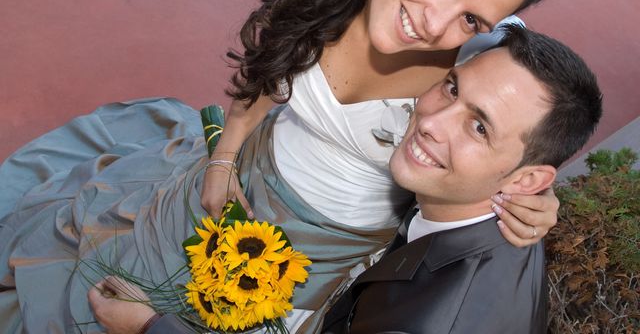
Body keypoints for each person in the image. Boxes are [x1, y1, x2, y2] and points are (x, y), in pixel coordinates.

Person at [0, 0, 562, 333]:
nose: (436, 24)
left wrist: (528, 206)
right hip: (240, 179)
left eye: (471, 16)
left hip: (326, 259)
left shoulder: (478, 65)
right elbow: (266, 73)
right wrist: (224, 156)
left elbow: (509, 140)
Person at [87, 26, 602, 333]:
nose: (430, 120)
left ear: (530, 177)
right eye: (450, 88)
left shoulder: (428, 321)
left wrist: (150, 327)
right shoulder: (498, 215)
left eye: (479, 126)